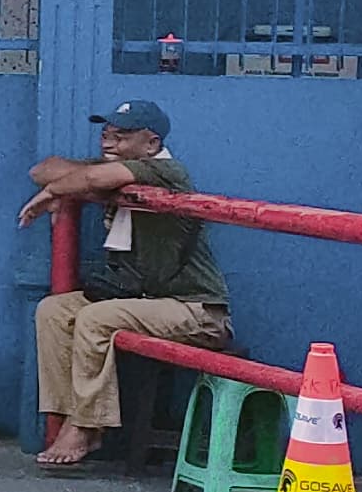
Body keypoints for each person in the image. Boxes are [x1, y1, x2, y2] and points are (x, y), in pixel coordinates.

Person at [17, 98, 233, 471]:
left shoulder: (167, 171)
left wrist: (56, 192)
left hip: (195, 310)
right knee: (54, 310)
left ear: (151, 144)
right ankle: (70, 415)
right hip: (145, 301)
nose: (109, 143)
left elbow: (89, 179)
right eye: (107, 134)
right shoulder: (116, 169)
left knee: (96, 318)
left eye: (123, 136)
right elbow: (43, 169)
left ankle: (86, 425)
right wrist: (63, 182)